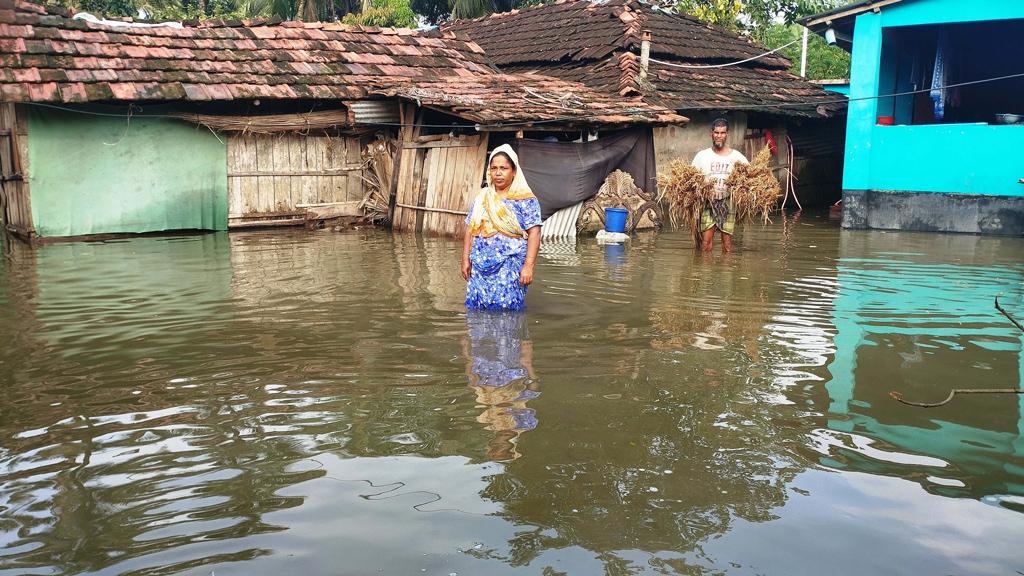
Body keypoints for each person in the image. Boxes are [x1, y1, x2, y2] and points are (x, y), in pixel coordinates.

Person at [462, 144, 542, 311]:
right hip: (479, 267)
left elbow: (534, 232)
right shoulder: (482, 197)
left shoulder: (525, 200)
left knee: (507, 311)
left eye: (503, 168)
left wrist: (528, 266)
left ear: (514, 171)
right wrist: (465, 260)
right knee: (477, 310)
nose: (498, 173)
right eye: (494, 168)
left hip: (509, 265)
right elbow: (471, 229)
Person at [692, 118, 748, 253]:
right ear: (711, 133)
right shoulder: (702, 156)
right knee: (706, 244)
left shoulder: (737, 157)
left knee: (727, 245)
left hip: (727, 201)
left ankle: (726, 273)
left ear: (727, 134)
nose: (719, 136)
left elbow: (750, 175)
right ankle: (705, 273)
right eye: (716, 132)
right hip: (708, 202)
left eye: (722, 133)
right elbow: (691, 177)